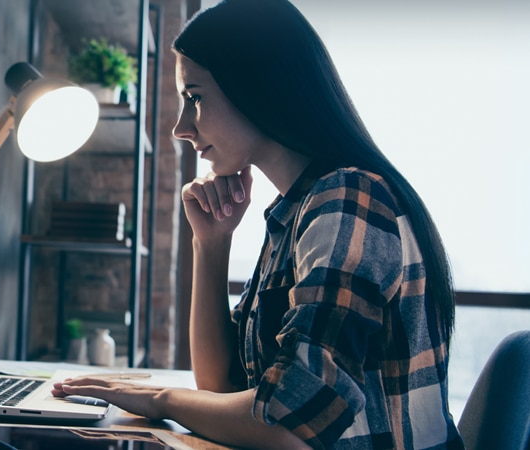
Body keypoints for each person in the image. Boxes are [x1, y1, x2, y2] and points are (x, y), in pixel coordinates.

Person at [53, 0, 465, 448]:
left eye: (194, 97)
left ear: (259, 87)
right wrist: (210, 245)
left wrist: (162, 399)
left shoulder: (348, 199)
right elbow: (221, 386)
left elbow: (291, 427)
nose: (180, 127)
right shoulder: (298, 212)